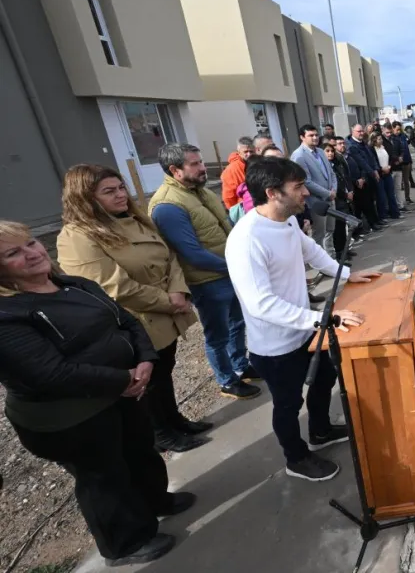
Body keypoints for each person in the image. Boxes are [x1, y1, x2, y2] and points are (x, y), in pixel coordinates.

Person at [0, 220, 194, 567]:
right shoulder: (8, 315)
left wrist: (146, 360)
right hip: (70, 417)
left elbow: (128, 321)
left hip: (122, 393)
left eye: (30, 243)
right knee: (103, 475)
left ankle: (154, 502)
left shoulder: (74, 285)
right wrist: (123, 379)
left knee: (139, 451)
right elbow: (49, 374)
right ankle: (124, 543)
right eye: (13, 253)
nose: (31, 254)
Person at [226, 157, 380, 481]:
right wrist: (323, 319)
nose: (306, 193)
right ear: (272, 192)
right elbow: (261, 305)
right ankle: (295, 458)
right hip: (275, 345)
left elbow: (310, 250)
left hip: (306, 330)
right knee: (288, 404)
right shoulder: (247, 239)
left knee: (325, 379)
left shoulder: (287, 221)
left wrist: (347, 274)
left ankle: (321, 431)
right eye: (298, 187)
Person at [56, 165, 209, 453]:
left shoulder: (134, 218)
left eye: (121, 187)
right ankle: (160, 432)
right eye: (109, 191)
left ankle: (174, 420)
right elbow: (112, 287)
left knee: (165, 371)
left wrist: (178, 288)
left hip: (165, 313)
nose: (120, 195)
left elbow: (168, 255)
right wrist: (169, 302)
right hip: (136, 323)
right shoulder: (77, 237)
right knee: (147, 382)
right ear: (85, 198)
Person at [149, 144, 260, 400]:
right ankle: (227, 380)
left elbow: (225, 224)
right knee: (217, 334)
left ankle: (241, 367)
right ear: (175, 170)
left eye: (200, 162)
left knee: (236, 324)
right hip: (207, 281)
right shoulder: (168, 205)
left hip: (227, 274)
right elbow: (192, 253)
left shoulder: (200, 191)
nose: (202, 168)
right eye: (195, 164)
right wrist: (236, 265)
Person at [291, 124, 338, 253]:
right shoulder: (299, 155)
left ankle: (331, 258)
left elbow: (331, 173)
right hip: (316, 201)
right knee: (319, 233)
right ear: (302, 137)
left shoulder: (321, 151)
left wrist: (334, 190)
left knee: (330, 229)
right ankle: (320, 263)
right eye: (311, 135)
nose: (315, 138)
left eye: (316, 135)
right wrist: (327, 193)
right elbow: (306, 181)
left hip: (330, 198)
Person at [345, 124, 384, 227]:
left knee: (372, 200)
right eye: (359, 131)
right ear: (352, 131)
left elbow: (371, 158)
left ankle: (376, 220)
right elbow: (361, 162)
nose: (361, 133)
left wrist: (375, 169)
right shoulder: (352, 145)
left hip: (369, 175)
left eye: (362, 131)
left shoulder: (363, 143)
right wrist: (372, 172)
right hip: (362, 177)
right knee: (365, 203)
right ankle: (371, 224)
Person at [370, 133, 401, 219]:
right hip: (380, 175)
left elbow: (390, 158)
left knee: (391, 194)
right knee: (381, 196)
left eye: (381, 139)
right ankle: (382, 216)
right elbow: (373, 162)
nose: (381, 140)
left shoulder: (384, 147)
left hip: (388, 173)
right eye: (379, 139)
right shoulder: (372, 149)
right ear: (374, 140)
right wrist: (381, 169)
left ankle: (395, 213)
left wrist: (389, 166)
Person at [221, 137, 254, 209]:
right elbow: (229, 196)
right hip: (243, 209)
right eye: (246, 152)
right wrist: (235, 213)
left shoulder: (257, 163)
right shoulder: (231, 170)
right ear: (239, 152)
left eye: (251, 151)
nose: (249, 154)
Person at [393, 122, 415, 204]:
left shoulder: (403, 136)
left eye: (400, 129)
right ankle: (398, 201)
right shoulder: (392, 138)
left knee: (406, 181)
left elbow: (406, 148)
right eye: (397, 129)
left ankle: (407, 198)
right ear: (393, 129)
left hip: (406, 161)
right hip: (397, 163)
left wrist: (409, 160)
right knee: (398, 184)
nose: (399, 131)